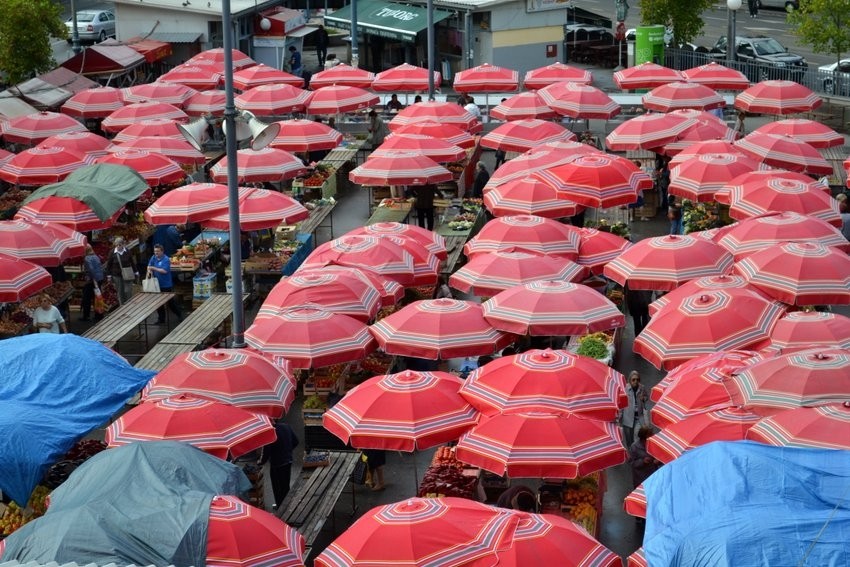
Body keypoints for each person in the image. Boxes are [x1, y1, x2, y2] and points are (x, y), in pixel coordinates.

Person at [259, 420, 300, 509]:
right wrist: (287, 451)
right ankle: (287, 505)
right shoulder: (286, 426)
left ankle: (280, 508)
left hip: (277, 464)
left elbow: (267, 452)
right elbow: (296, 441)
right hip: (288, 461)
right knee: (285, 485)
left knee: (277, 488)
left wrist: (261, 462)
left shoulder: (270, 432)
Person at [147, 244, 183, 324]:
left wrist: (153, 268)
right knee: (158, 303)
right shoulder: (153, 258)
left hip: (166, 285)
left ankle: (179, 314)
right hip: (157, 285)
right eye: (155, 251)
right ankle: (161, 319)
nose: (156, 253)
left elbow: (164, 271)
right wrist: (149, 270)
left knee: (170, 303)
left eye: (158, 251)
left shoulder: (166, 259)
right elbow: (149, 265)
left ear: (162, 251)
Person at [105, 237, 138, 306]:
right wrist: (109, 276)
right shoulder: (112, 253)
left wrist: (136, 272)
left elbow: (132, 262)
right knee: (120, 292)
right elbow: (109, 265)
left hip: (127, 274)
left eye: (120, 245)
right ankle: (122, 307)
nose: (118, 246)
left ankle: (129, 305)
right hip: (117, 275)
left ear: (123, 244)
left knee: (128, 291)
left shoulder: (127, 251)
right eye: (117, 245)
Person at [620, 371, 648, 448]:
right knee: (629, 442)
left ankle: (638, 454)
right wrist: (619, 419)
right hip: (628, 419)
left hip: (639, 418)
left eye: (637, 379)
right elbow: (621, 404)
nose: (636, 381)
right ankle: (632, 457)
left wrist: (644, 399)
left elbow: (646, 397)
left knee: (637, 439)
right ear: (629, 380)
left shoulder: (642, 388)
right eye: (633, 380)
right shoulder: (624, 389)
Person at [80, 244, 105, 322]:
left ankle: (86, 316)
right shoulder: (96, 257)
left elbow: (91, 270)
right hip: (99, 278)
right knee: (97, 297)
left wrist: (93, 280)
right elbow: (100, 267)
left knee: (86, 298)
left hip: (92, 280)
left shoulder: (87, 258)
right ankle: (99, 314)